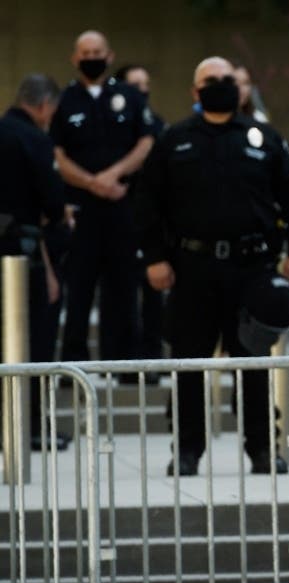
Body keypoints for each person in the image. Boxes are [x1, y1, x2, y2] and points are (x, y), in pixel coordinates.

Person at [134, 56, 289, 477]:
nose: (219, 85)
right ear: (195, 91)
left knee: (252, 364)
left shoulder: (263, 138)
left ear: (240, 87)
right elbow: (146, 204)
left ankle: (263, 449)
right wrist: (155, 258)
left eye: (226, 79)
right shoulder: (174, 140)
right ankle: (188, 449)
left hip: (251, 269)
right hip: (191, 269)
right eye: (209, 80)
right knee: (189, 364)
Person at [50, 30, 157, 372]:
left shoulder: (129, 96)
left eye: (97, 51)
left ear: (109, 56)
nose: (91, 57)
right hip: (81, 212)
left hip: (122, 208)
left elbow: (146, 142)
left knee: (125, 289)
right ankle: (74, 368)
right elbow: (56, 152)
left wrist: (113, 175)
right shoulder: (64, 101)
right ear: (75, 58)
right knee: (78, 290)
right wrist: (91, 182)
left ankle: (125, 364)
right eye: (85, 52)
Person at [0, 74, 70, 450]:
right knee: (36, 344)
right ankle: (32, 427)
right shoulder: (33, 140)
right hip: (24, 253)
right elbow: (53, 202)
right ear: (44, 106)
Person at [115, 63, 167, 366]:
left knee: (152, 298)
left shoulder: (157, 125)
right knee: (121, 295)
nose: (143, 90)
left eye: (146, 83)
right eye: (136, 84)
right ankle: (123, 360)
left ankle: (151, 359)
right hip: (118, 217)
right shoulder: (110, 125)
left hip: (150, 221)